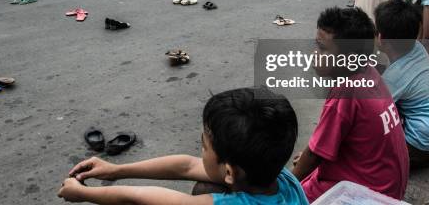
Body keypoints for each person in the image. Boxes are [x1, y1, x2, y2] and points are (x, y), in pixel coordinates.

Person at [59, 87, 310, 205]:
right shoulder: (281, 175)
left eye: (204, 147)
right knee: (205, 185)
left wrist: (83, 194)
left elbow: (136, 198)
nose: (199, 153)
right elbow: (186, 166)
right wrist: (114, 169)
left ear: (231, 172)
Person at [292, 7, 409, 202]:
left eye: (322, 48)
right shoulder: (369, 72)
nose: (315, 53)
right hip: (390, 186)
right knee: (306, 166)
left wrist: (288, 183)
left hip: (370, 194)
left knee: (291, 193)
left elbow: (314, 155)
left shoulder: (346, 92)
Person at [375, 0, 429, 170]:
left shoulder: (395, 77)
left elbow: (369, 112)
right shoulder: (417, 48)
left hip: (417, 150)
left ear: (382, 39)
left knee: (364, 132)